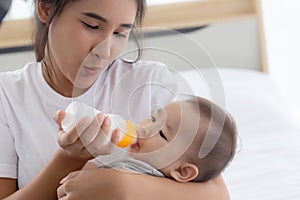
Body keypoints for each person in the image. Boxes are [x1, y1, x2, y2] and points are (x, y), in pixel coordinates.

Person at [0, 0, 230, 199]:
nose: (105, 50)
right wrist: (69, 159)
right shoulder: (6, 95)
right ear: (46, 8)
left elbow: (217, 194)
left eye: (120, 33)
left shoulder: (151, 84)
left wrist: (125, 187)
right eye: (92, 26)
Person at [83, 96, 237, 183]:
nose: (145, 128)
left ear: (182, 170)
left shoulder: (131, 175)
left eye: (162, 133)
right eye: (153, 119)